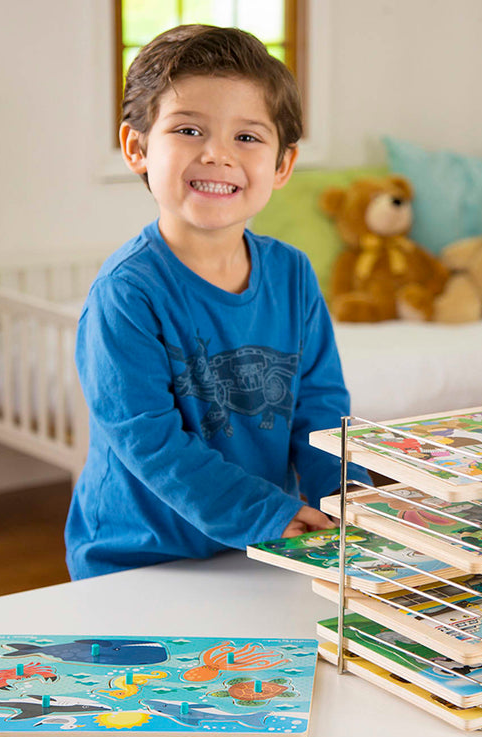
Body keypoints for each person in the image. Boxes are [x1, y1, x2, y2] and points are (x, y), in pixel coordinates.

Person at [65, 25, 368, 580]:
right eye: (188, 129)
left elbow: (321, 408)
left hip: (256, 549)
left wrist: (344, 494)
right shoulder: (126, 293)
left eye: (247, 138)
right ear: (137, 148)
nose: (218, 155)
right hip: (140, 558)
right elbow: (150, 442)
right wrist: (267, 514)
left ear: (282, 165)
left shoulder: (292, 273)